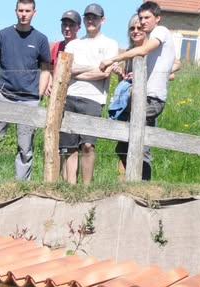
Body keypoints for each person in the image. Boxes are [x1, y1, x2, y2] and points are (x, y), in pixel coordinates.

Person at [99, 2, 175, 181]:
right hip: (140, 97)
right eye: (140, 18)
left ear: (157, 18)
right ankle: (128, 182)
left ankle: (142, 185)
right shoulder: (153, 42)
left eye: (146, 18)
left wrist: (112, 59)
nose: (142, 22)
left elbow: (147, 50)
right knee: (126, 142)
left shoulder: (160, 32)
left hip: (151, 98)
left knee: (139, 142)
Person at [0, 0, 52, 180]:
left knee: (25, 147)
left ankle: (21, 187)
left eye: (27, 11)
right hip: (3, 96)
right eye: (21, 10)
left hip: (29, 99)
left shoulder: (41, 39)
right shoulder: (2, 35)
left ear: (34, 13)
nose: (24, 14)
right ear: (15, 11)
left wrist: (39, 94)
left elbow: (45, 69)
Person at [60, 3, 119, 184]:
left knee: (88, 145)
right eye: (87, 17)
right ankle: (70, 186)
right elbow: (66, 70)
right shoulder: (73, 45)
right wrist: (92, 69)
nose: (90, 20)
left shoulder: (110, 44)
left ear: (103, 20)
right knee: (69, 146)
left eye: (94, 17)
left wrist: (78, 71)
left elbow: (105, 73)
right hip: (70, 96)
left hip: (93, 99)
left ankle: (85, 188)